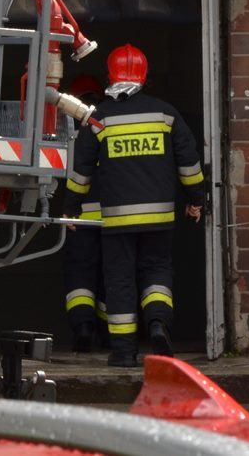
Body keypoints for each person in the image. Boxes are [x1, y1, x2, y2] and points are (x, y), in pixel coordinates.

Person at [64, 44, 204, 367]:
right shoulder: (166, 114)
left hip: (117, 222)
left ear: (110, 75)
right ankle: (157, 324)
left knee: (120, 280)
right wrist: (195, 201)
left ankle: (124, 352)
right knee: (156, 272)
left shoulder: (98, 120)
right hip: (159, 217)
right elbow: (190, 163)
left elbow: (81, 173)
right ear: (144, 75)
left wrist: (70, 208)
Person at [61, 73, 106, 352]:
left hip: (79, 218)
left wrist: (68, 209)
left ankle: (83, 327)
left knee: (80, 274)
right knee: (113, 275)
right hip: (112, 216)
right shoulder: (107, 125)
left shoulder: (64, 130)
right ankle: (111, 335)